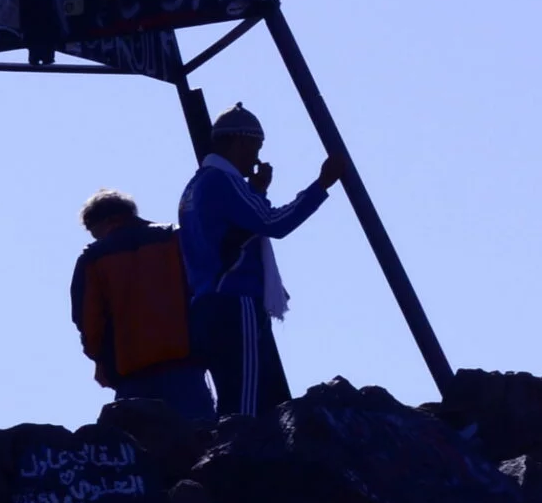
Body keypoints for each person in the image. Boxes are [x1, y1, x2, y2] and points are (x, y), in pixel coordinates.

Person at [177, 104, 343, 419]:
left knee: (242, 393)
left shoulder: (195, 187)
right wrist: (321, 185)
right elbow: (272, 222)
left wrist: (257, 191)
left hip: (207, 302)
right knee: (247, 405)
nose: (256, 157)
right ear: (239, 141)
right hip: (235, 299)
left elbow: (238, 229)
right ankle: (240, 460)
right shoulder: (222, 181)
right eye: (255, 146)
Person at [69, 190, 212, 423]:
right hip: (185, 363)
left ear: (107, 221)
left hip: (132, 372)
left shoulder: (93, 259)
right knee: (201, 442)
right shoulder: (175, 237)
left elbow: (88, 320)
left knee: (142, 449)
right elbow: (203, 288)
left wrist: (101, 361)